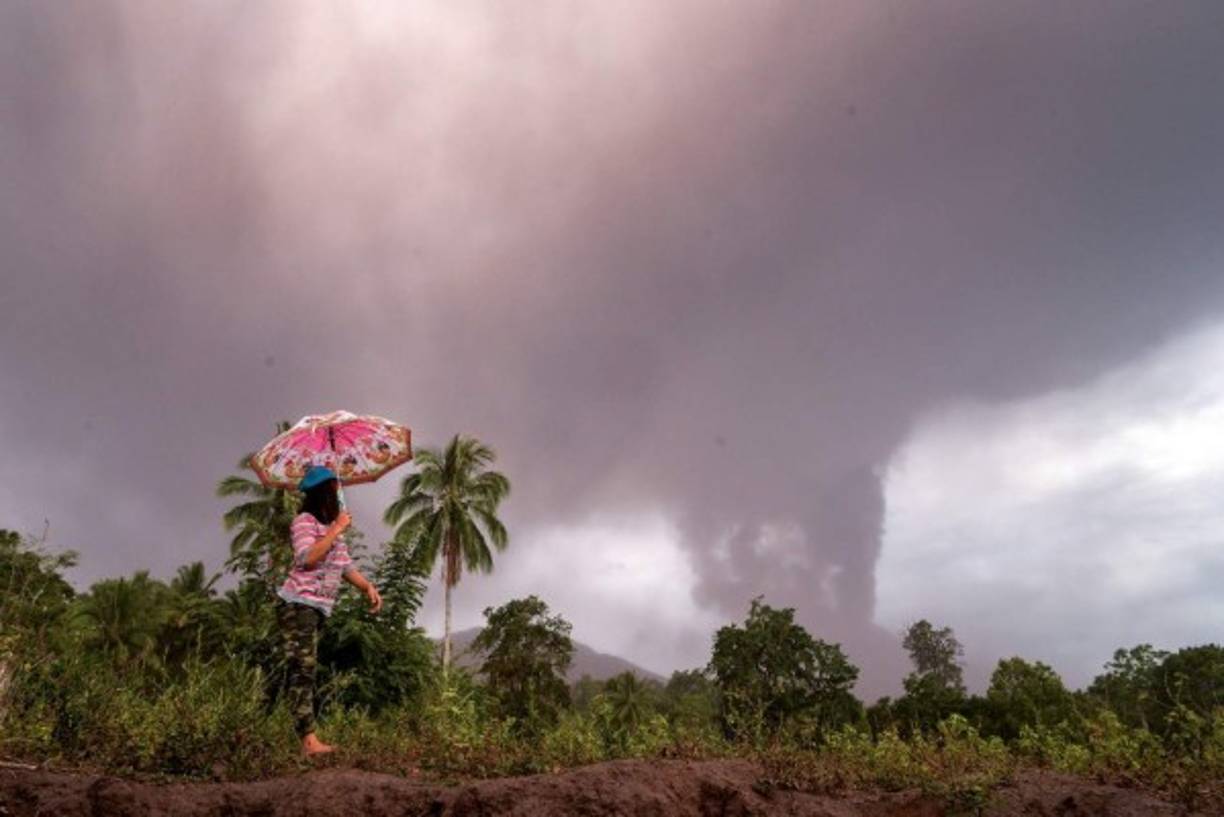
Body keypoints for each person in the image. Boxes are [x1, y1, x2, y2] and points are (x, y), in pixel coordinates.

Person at [277, 465, 382, 756]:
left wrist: (367, 587)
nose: (338, 494)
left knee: (301, 667)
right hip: (298, 604)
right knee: (303, 667)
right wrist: (336, 528)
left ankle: (298, 733)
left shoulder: (331, 529)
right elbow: (306, 558)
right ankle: (307, 740)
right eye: (334, 489)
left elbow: (345, 566)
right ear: (323, 493)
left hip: (318, 608)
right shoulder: (304, 522)